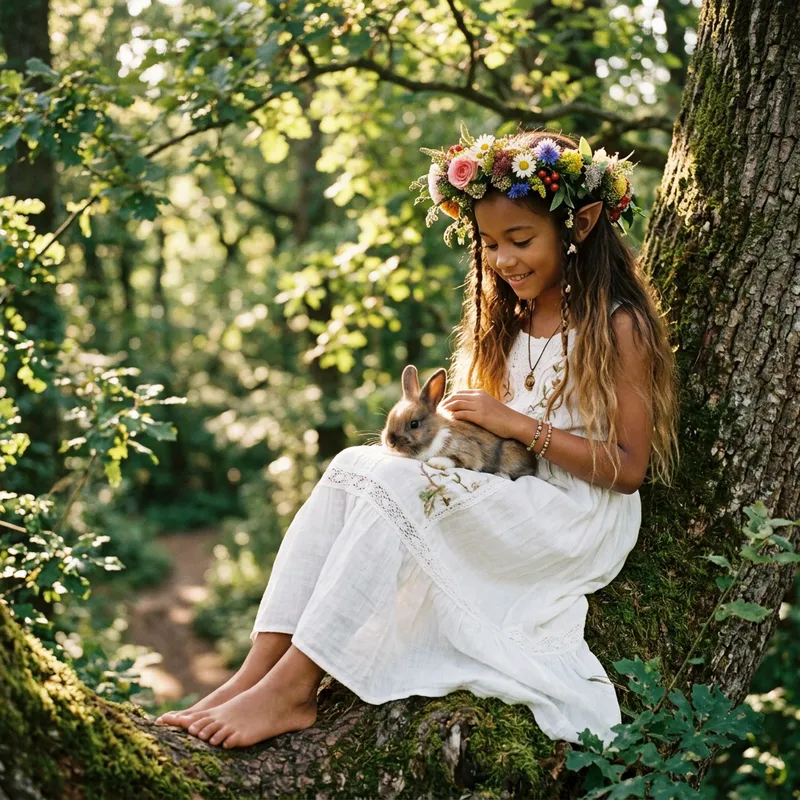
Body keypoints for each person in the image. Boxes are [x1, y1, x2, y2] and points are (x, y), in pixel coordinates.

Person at [156, 127, 679, 750]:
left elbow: (628, 470)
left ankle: (296, 688)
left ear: (582, 224)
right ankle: (254, 672)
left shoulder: (620, 326)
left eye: (521, 240)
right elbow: (483, 442)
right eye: (489, 244)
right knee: (356, 464)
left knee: (400, 485)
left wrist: (517, 425)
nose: (505, 260)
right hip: (509, 486)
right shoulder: (507, 319)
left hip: (575, 512)